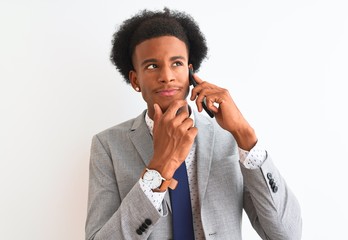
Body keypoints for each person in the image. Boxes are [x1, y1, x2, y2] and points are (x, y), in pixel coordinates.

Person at [85, 7, 302, 240]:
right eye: (152, 66)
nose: (167, 75)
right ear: (135, 80)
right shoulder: (107, 146)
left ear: (190, 71)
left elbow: (286, 235)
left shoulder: (229, 138)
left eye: (176, 63)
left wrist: (244, 133)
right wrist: (158, 169)